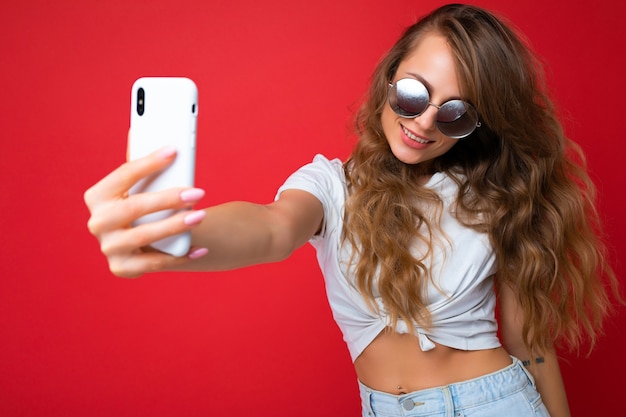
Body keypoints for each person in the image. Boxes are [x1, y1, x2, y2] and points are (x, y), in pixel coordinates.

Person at [84, 4, 619, 416]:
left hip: (498, 403)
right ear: (390, 76)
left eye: (454, 114)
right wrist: (171, 234)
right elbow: (272, 228)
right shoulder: (331, 186)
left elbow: (532, 347)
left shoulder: (496, 197)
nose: (424, 123)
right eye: (413, 93)